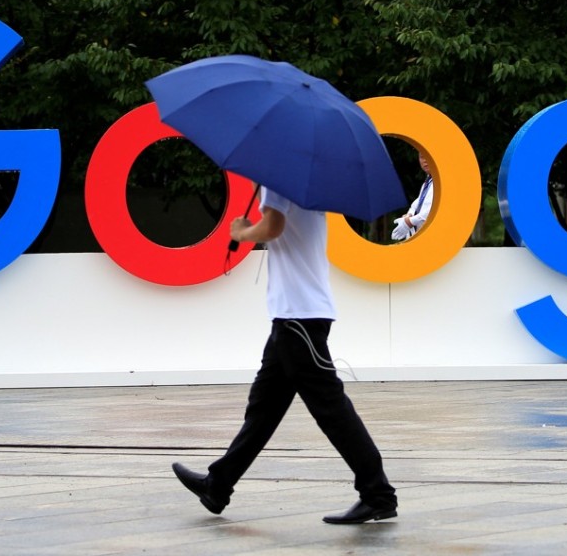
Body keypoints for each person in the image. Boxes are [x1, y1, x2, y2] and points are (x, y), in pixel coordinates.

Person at [171, 186, 398, 524]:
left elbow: (273, 227)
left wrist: (242, 232)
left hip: (299, 319)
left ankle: (378, 495)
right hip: (292, 318)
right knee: (263, 409)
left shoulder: (279, 184)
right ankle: (217, 486)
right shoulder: (306, 185)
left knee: (331, 408)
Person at [391, 152, 433, 240]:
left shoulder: (442, 181)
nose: (425, 160)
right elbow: (417, 203)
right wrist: (409, 215)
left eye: (428, 157)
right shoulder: (428, 181)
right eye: (422, 157)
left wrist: (409, 222)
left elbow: (433, 209)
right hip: (423, 235)